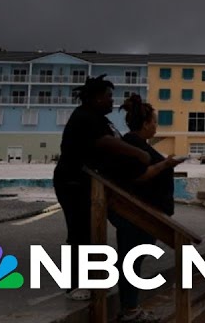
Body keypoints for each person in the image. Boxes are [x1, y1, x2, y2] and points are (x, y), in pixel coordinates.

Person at [53, 75, 151, 301]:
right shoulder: (84, 117)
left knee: (95, 232)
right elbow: (105, 142)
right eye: (108, 96)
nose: (111, 101)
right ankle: (75, 284)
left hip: (93, 184)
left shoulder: (99, 118)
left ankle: (96, 276)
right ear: (96, 98)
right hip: (73, 183)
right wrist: (137, 153)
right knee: (80, 233)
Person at [109, 94, 182, 323]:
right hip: (136, 215)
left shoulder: (138, 144)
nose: (156, 125)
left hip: (146, 214)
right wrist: (165, 165)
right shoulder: (132, 145)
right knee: (130, 261)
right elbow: (137, 178)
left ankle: (131, 308)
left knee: (133, 261)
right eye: (154, 122)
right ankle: (130, 311)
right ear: (145, 123)